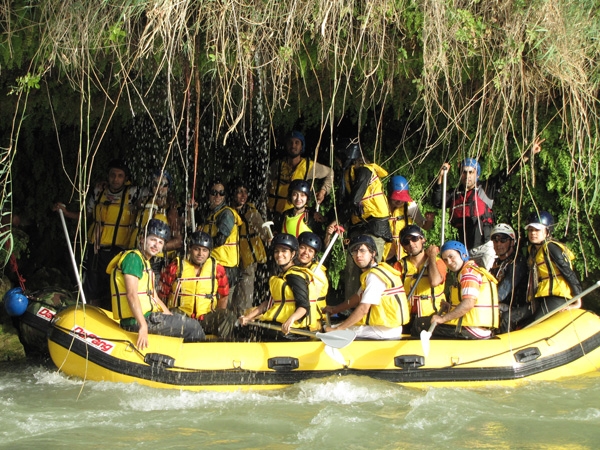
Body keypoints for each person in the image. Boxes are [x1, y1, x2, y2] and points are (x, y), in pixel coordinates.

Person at [432, 138, 543, 269]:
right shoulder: (455, 194)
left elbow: (506, 173)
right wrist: (441, 177)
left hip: (485, 246)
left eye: (471, 172)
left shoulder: (486, 188)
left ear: (476, 174)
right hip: (465, 250)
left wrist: (526, 155)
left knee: (487, 279)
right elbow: (438, 202)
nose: (467, 175)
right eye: (464, 172)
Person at [53, 159, 140, 309]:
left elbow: (155, 195)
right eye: (113, 175)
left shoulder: (133, 193)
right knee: (92, 287)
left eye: (120, 176)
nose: (116, 179)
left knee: (117, 287)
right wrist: (66, 213)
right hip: (97, 249)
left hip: (120, 251)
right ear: (108, 176)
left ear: (125, 178)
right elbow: (87, 215)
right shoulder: (99, 192)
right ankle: (92, 313)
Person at [107, 219, 205, 349]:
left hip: (149, 317)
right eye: (153, 239)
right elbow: (131, 294)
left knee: (181, 319)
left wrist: (170, 317)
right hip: (138, 321)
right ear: (142, 239)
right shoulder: (133, 258)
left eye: (160, 242)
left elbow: (155, 298)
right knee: (194, 327)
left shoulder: (145, 262)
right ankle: (196, 363)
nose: (156, 245)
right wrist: (143, 326)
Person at [327, 140, 392, 300]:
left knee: (371, 265)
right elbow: (346, 203)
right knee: (352, 266)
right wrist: (332, 220)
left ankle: (371, 305)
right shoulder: (349, 174)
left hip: (376, 225)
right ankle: (350, 306)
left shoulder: (365, 171)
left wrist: (339, 220)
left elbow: (355, 199)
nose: (338, 162)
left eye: (340, 159)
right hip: (359, 225)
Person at [322, 235, 409, 340]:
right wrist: (334, 310)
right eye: (354, 252)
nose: (358, 255)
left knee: (329, 329)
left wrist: (338, 329)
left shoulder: (374, 276)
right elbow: (357, 298)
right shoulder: (375, 271)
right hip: (385, 328)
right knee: (336, 327)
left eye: (362, 251)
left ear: (373, 253)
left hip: (384, 331)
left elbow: (363, 309)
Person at [238, 233, 321, 336]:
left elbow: (304, 306)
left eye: (284, 251)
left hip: (293, 330)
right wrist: (248, 317)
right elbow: (268, 303)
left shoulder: (295, 276)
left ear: (293, 254)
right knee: (244, 329)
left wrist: (290, 320)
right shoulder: (282, 275)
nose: (279, 254)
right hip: (278, 324)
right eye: (277, 251)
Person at [159, 231, 237, 339]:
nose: (200, 254)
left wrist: (217, 315)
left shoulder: (217, 269)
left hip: (206, 317)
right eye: (197, 249)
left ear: (209, 252)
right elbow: (163, 294)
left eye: (204, 250)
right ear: (190, 249)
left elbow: (224, 296)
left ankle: (219, 346)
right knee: (173, 314)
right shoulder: (175, 267)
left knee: (227, 316)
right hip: (183, 316)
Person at [430, 240, 499, 339]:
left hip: (473, 330)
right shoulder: (469, 270)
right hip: (475, 327)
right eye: (445, 260)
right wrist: (450, 306)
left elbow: (469, 303)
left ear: (462, 254)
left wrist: (443, 318)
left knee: (420, 324)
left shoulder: (468, 273)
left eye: (451, 256)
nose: (449, 262)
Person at [525, 211, 582, 320]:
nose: (533, 233)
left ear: (547, 231)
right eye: (530, 230)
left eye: (537, 230)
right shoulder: (533, 251)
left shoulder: (551, 247)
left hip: (558, 296)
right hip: (544, 295)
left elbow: (568, 272)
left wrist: (578, 301)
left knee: (535, 323)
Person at [394, 225, 446, 336]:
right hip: (407, 318)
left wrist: (431, 257)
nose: (411, 244)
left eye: (414, 239)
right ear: (403, 246)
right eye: (406, 242)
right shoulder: (399, 266)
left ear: (423, 239)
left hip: (433, 317)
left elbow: (435, 281)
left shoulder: (437, 262)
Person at [128, 169, 183, 276]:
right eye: (155, 184)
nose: (159, 188)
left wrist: (156, 247)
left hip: (156, 259)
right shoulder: (143, 202)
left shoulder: (171, 210)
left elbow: (179, 241)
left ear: (169, 187)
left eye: (164, 185)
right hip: (136, 252)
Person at [267, 130, 334, 215]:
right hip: (274, 212)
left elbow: (330, 173)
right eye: (290, 142)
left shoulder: (309, 166)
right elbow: (266, 184)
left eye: (297, 142)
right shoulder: (277, 165)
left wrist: (323, 192)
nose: (293, 145)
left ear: (302, 146)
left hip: (296, 214)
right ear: (286, 146)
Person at [229, 179, 271, 316]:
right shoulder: (228, 211)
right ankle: (229, 315)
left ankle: (243, 317)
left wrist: (268, 237)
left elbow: (262, 228)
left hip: (248, 256)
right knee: (231, 288)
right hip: (232, 255)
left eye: (245, 192)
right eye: (239, 192)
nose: (243, 195)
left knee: (246, 288)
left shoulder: (251, 212)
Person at [198, 179, 243, 290]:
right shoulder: (211, 214)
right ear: (208, 195)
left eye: (221, 193)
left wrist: (199, 247)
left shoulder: (226, 213)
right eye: (214, 193)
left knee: (221, 302)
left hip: (226, 266)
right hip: (215, 263)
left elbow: (220, 240)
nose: (217, 196)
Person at [489, 223, 531, 332]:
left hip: (518, 308)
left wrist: (484, 302)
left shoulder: (518, 261)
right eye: (495, 240)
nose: (499, 244)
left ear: (512, 242)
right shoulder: (495, 263)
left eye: (503, 240)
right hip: (500, 305)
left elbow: (503, 291)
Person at [385, 175, 435, 262]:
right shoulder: (382, 204)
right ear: (390, 194)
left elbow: (425, 226)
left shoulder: (410, 206)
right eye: (396, 198)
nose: (399, 201)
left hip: (403, 251)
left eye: (402, 198)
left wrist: (429, 221)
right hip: (384, 251)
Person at [296, 231, 329, 322]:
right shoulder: (296, 267)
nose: (305, 253)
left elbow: (311, 297)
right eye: (302, 248)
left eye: (310, 251)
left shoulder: (317, 272)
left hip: (315, 317)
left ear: (314, 255)